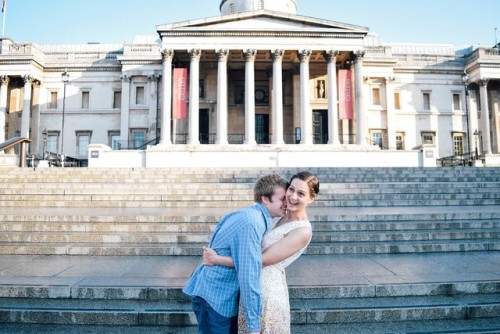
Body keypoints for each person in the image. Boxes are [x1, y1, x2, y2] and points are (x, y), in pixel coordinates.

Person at [203, 171, 320, 334]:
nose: (293, 196)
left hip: (268, 293)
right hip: (250, 286)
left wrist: (218, 260)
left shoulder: (303, 231)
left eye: (301, 193)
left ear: (311, 199)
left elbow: (261, 260)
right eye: (291, 189)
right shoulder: (279, 213)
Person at [182, 174, 289, 334]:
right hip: (215, 299)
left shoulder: (251, 216)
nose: (287, 203)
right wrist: (254, 325)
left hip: (219, 297)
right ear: (265, 199)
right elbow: (248, 274)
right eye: (282, 199)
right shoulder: (252, 222)